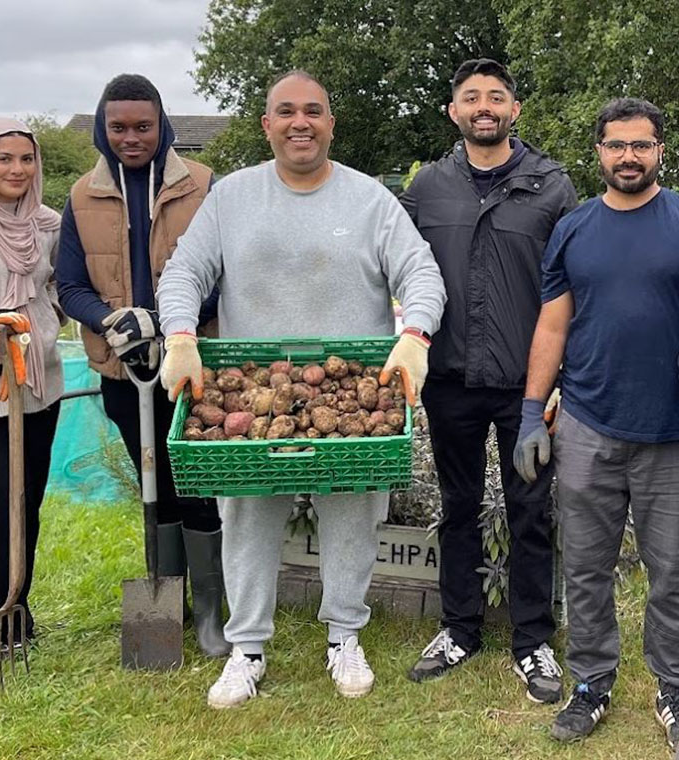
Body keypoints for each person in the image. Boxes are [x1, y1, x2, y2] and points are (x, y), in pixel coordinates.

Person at [156, 69, 446, 708]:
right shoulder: (232, 197)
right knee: (248, 516)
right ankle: (247, 647)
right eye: (285, 111)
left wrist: (415, 335)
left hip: (349, 395)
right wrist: (179, 333)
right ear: (266, 125)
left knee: (352, 514)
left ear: (330, 123)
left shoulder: (370, 199)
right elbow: (183, 271)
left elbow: (421, 272)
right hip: (253, 390)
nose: (300, 122)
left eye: (313, 111)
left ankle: (344, 634)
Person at [400, 58, 577, 703]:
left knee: (532, 511)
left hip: (527, 388)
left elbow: (573, 289)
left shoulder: (552, 186)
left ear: (513, 111)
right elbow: (396, 270)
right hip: (450, 382)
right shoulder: (426, 190)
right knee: (458, 508)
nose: (484, 106)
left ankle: (532, 642)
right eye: (471, 97)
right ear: (454, 111)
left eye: (496, 97)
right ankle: (459, 628)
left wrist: (562, 378)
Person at [514, 97, 679, 749]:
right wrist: (533, 411)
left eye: (641, 145)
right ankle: (591, 684)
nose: (629, 157)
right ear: (600, 152)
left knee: (673, 569)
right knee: (585, 566)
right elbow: (553, 323)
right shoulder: (574, 229)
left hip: (670, 434)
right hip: (586, 424)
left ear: (660, 150)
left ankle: (673, 685)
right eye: (617, 145)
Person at [55, 74, 228, 657]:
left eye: (143, 126)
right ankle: (166, 601)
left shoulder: (201, 185)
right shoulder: (81, 196)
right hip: (122, 369)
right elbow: (70, 286)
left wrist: (167, 321)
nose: (132, 138)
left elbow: (222, 273)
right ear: (104, 129)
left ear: (163, 125)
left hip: (188, 366)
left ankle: (209, 610)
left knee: (197, 483)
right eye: (119, 127)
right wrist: (113, 323)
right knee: (153, 486)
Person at [0, 118, 63, 664]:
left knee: (28, 503)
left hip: (37, 386)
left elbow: (54, 286)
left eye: (26, 159)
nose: (17, 170)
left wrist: (47, 322)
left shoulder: (48, 223)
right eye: (5, 159)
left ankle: (14, 616)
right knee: (0, 500)